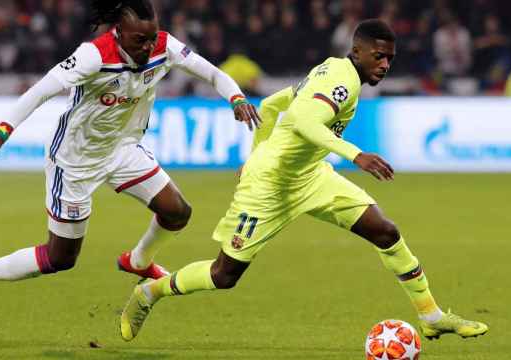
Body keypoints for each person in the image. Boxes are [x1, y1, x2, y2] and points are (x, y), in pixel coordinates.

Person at [119, 19, 489, 342]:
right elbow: (303, 123)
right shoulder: (340, 83)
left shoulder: (328, 71)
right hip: (270, 186)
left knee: (385, 232)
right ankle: (150, 292)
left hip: (311, 177)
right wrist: (354, 154)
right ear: (356, 51)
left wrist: (252, 155)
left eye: (390, 58)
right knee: (224, 275)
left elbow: (270, 107)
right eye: (378, 56)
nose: (385, 64)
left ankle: (431, 317)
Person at [0, 0, 261, 328]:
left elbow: (212, 73)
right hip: (75, 161)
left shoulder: (164, 45)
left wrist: (236, 98)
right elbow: (41, 90)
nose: (149, 47)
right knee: (60, 258)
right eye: (140, 40)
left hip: (123, 151)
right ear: (119, 32)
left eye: (151, 38)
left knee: (177, 211)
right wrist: (2, 130)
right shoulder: (94, 55)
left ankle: (138, 261)